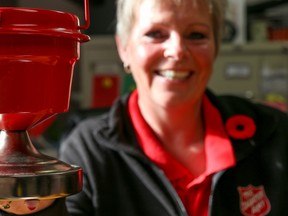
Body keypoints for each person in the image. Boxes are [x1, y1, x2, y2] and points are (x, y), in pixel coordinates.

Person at [1, 0, 288, 215]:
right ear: (123, 48)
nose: (177, 51)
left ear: (215, 47)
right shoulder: (89, 150)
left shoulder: (272, 133)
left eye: (197, 35)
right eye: (155, 34)